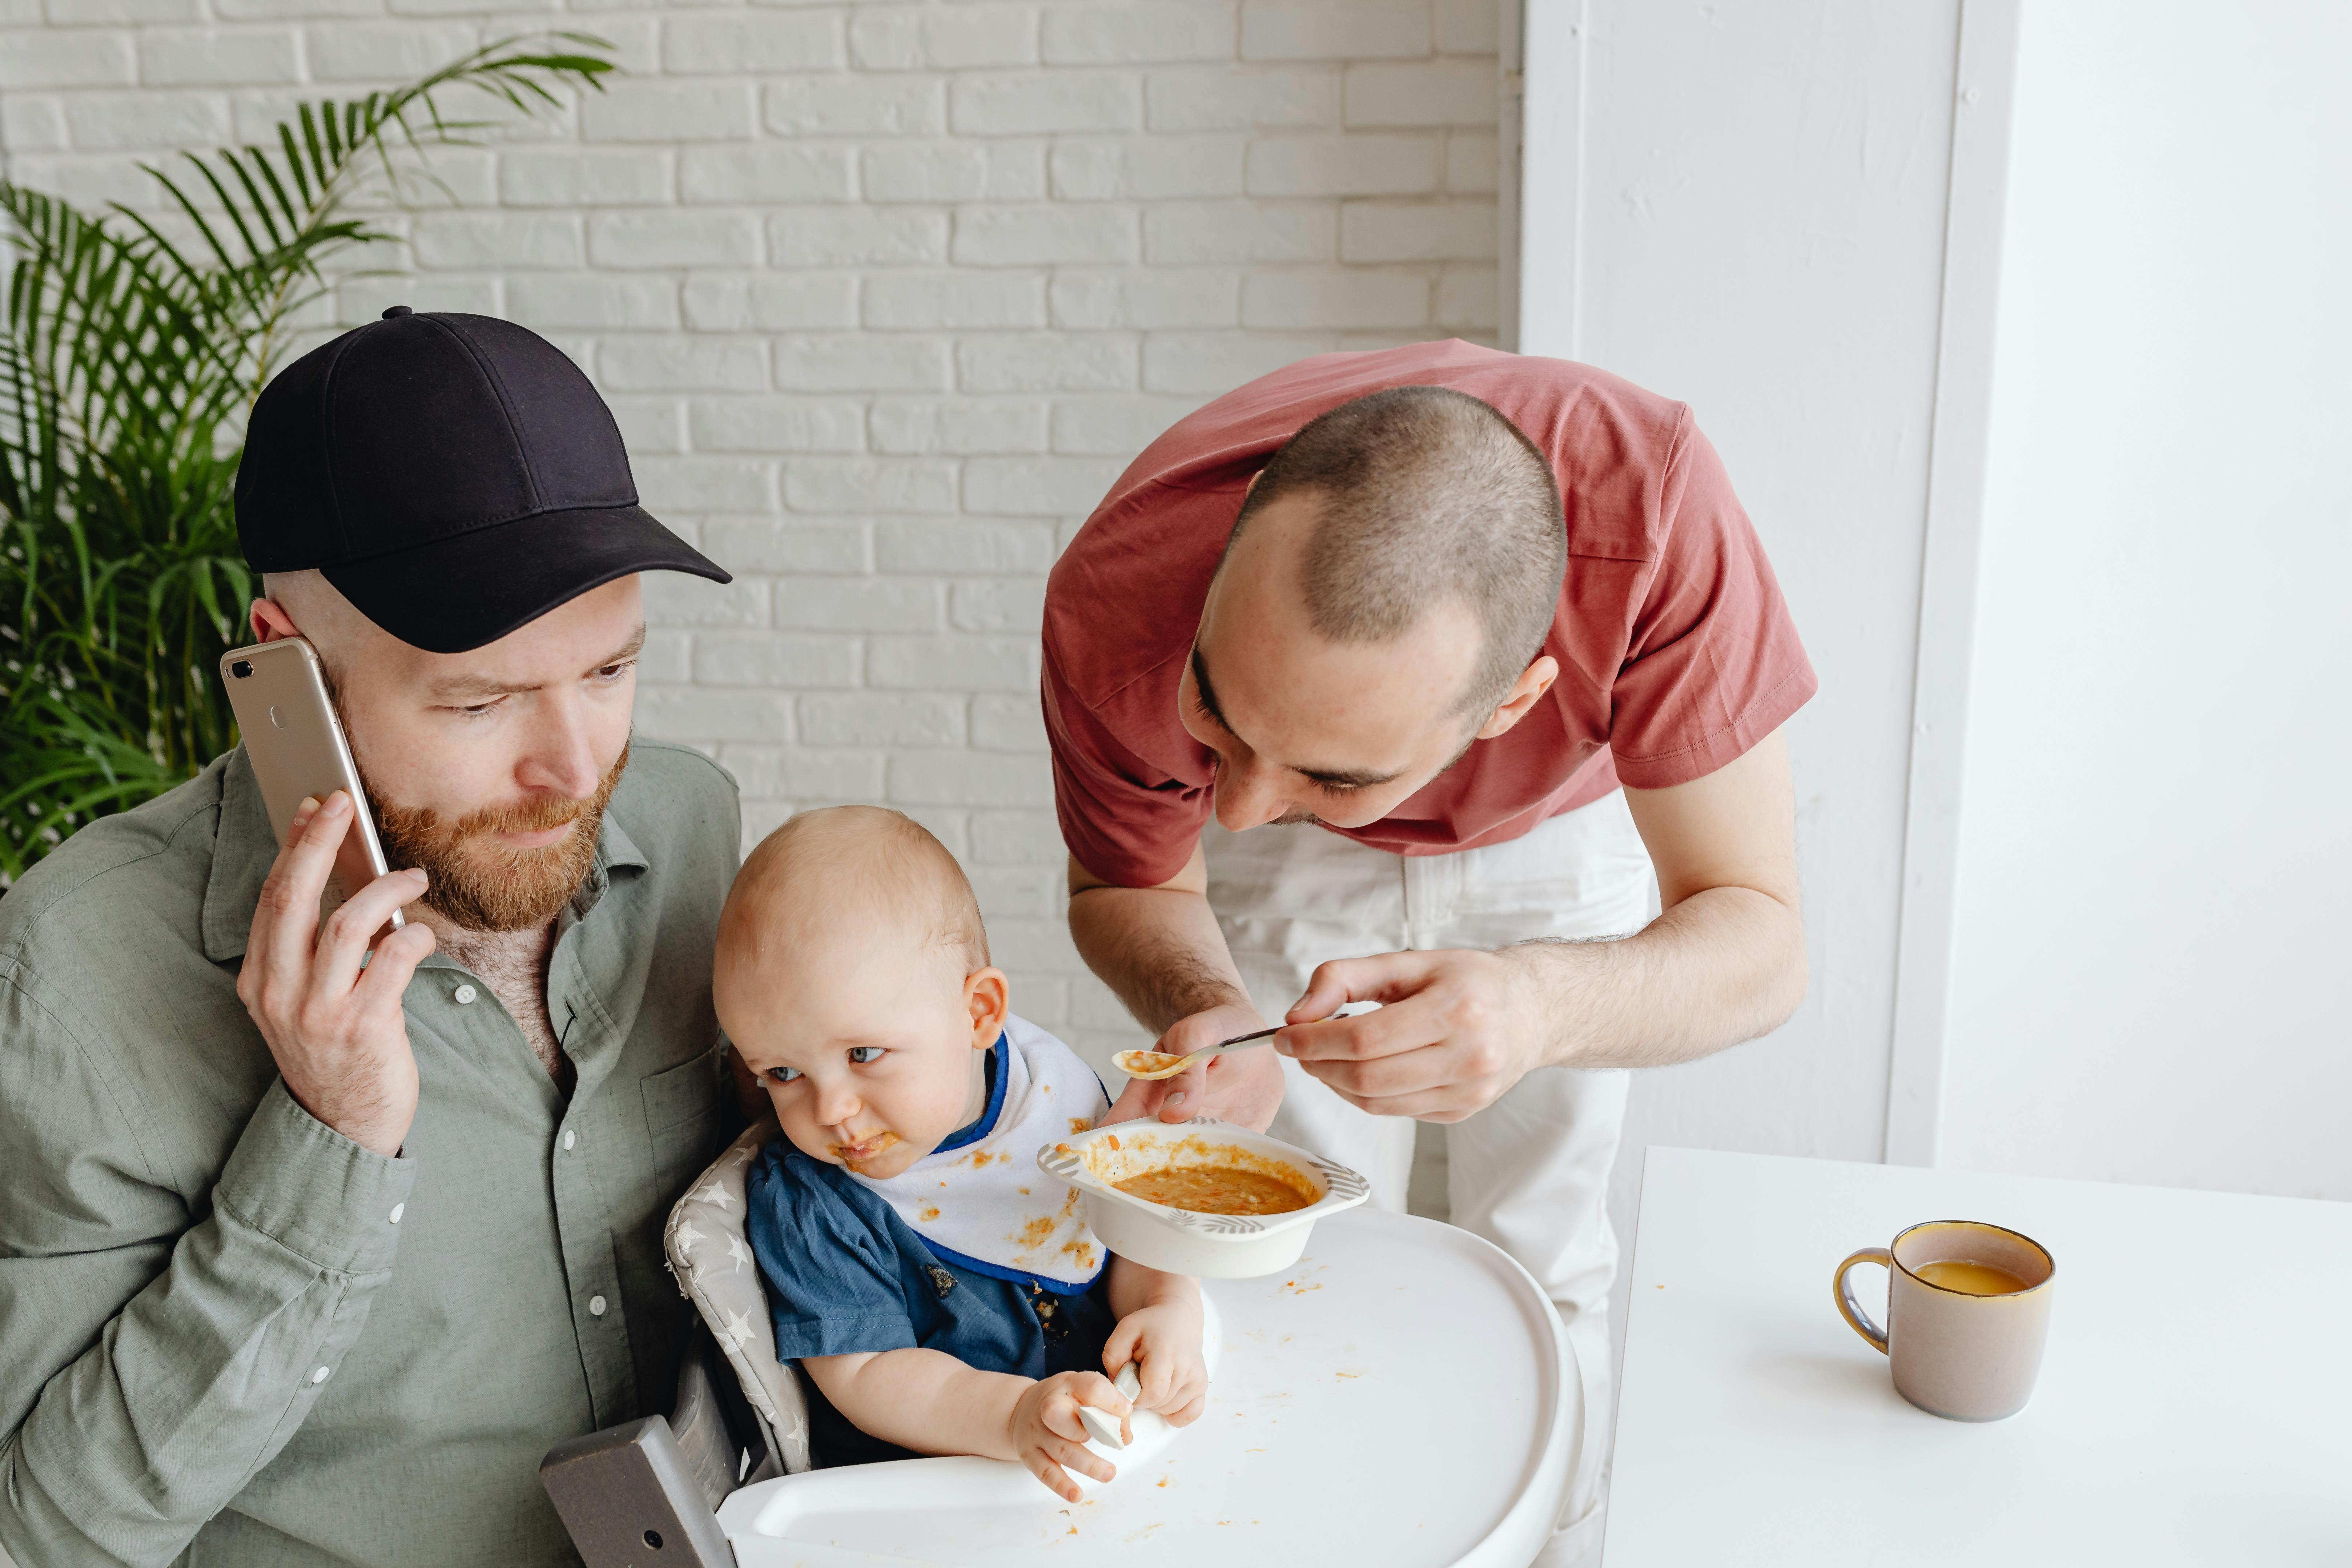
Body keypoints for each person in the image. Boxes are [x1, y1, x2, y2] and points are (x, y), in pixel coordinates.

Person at [1043, 342, 1814, 1563]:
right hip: (1324, 849)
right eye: (1216, 714)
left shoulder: (1659, 515)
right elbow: (1130, 877)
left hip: (1560, 815)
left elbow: (1759, 937)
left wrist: (1540, 1009)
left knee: (1546, 1248)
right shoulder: (1120, 589)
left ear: (1512, 699)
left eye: (1328, 769)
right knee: (1285, 1254)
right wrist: (1205, 1001)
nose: (1234, 809)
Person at [0, 309, 739, 1567]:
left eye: (610, 673)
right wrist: (328, 1137)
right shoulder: (73, 976)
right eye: (480, 699)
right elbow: (44, 1532)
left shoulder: (688, 822)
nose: (573, 766)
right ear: (283, 665)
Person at [723, 807, 1206, 1502]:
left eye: (864, 1053)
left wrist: (1168, 1306)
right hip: (937, 1495)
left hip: (1109, 1459)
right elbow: (868, 1374)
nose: (829, 1110)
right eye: (783, 1073)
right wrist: (1010, 1417)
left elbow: (1120, 1235)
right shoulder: (812, 1200)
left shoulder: (1050, 1096)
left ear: (978, 1014)